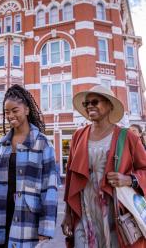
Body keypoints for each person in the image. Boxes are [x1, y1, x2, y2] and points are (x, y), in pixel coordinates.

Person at [62, 85, 146, 247]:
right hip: (84, 213)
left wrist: (129, 179)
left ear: (109, 106)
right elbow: (70, 177)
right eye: (87, 104)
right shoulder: (78, 136)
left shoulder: (127, 136)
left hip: (115, 215)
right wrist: (68, 214)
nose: (90, 106)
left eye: (95, 102)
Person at [0, 84, 58, 248]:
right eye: (7, 112)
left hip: (26, 222)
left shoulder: (42, 143)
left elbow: (49, 187)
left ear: (27, 110)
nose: (10, 115)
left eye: (15, 110)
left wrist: (46, 226)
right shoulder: (2, 143)